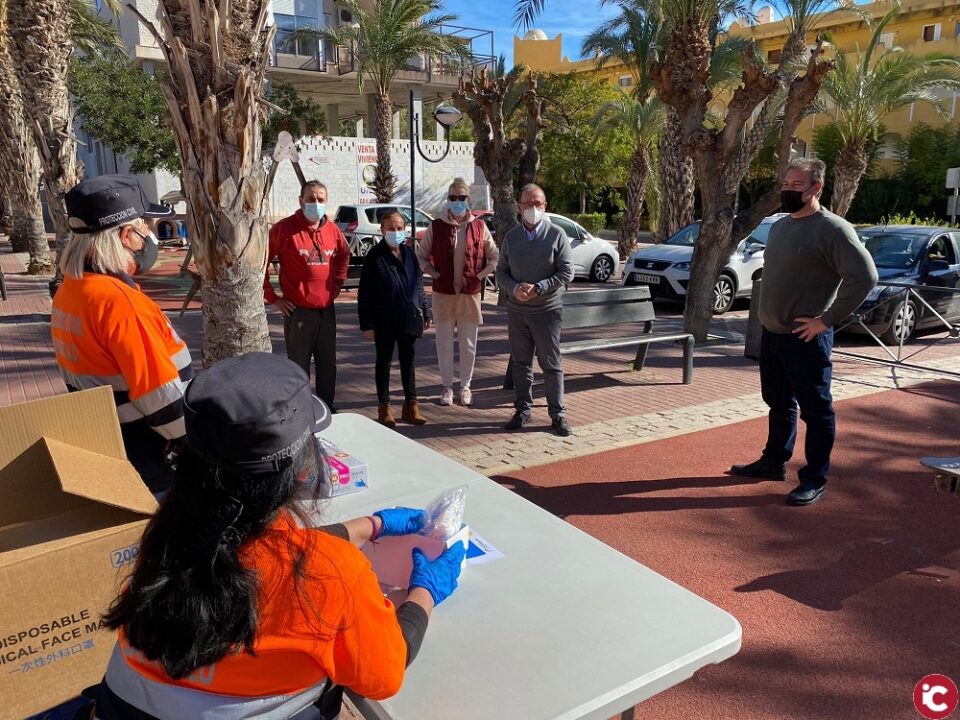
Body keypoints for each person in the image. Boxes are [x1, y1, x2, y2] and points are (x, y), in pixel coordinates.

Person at [89, 352, 466, 720]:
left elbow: (256, 550)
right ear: (303, 472)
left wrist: (370, 525)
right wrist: (425, 593)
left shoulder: (164, 543)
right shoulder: (333, 575)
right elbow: (384, 675)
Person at [731, 158, 877, 506]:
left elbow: (865, 276)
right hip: (772, 334)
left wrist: (826, 320)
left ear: (816, 188)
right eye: (786, 184)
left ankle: (814, 478)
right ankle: (773, 462)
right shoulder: (780, 227)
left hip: (806, 338)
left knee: (817, 410)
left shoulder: (833, 229)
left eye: (797, 186)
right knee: (778, 403)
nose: (788, 190)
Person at [52, 175, 193, 495]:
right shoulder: (120, 303)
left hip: (117, 441)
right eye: (146, 225)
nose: (151, 234)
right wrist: (195, 445)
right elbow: (159, 397)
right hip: (153, 457)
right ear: (128, 235)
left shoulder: (71, 289)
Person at [495, 184, 574, 437]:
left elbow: (566, 271)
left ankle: (557, 415)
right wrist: (514, 288)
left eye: (538, 203)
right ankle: (522, 410)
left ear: (545, 206)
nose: (533, 208)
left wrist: (540, 287)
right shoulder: (512, 237)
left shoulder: (557, 235)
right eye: (528, 204)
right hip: (517, 311)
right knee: (520, 364)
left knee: (550, 365)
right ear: (519, 207)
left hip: (547, 311)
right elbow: (501, 271)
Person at [264, 180, 350, 412]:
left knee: (327, 363)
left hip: (326, 310)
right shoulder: (284, 229)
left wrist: (338, 283)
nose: (316, 203)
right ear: (300, 201)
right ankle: (300, 409)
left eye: (321, 199)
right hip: (298, 311)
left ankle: (326, 407)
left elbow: (343, 255)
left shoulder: (332, 229)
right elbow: (260, 261)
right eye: (311, 199)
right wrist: (272, 297)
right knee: (298, 365)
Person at [416, 178, 498, 407]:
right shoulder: (437, 225)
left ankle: (465, 386)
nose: (458, 202)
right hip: (443, 294)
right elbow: (421, 256)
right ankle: (447, 388)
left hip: (469, 294)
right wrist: (433, 273)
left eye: (462, 198)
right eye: (453, 198)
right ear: (448, 200)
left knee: (468, 343)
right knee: (443, 342)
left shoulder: (479, 226)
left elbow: (494, 256)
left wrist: (480, 276)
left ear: (468, 199)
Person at [358, 210, 432, 427]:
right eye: (391, 228)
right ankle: (384, 408)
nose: (396, 232)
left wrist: (426, 311)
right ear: (382, 230)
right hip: (383, 320)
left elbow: (418, 284)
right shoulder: (375, 256)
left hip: (408, 317)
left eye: (400, 228)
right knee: (384, 361)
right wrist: (367, 324)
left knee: (408, 361)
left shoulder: (409, 253)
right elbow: (365, 293)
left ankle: (411, 406)